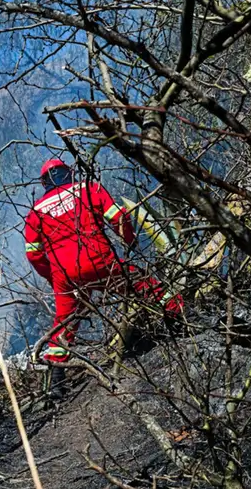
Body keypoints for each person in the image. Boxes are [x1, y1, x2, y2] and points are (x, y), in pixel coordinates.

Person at [23, 158, 183, 395]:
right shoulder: (89, 188)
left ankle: (56, 380)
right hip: (100, 261)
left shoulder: (35, 212)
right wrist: (129, 241)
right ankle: (181, 318)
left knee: (65, 320)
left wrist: (54, 277)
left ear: (44, 182)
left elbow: (34, 254)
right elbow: (118, 217)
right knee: (145, 286)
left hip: (66, 274)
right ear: (69, 173)